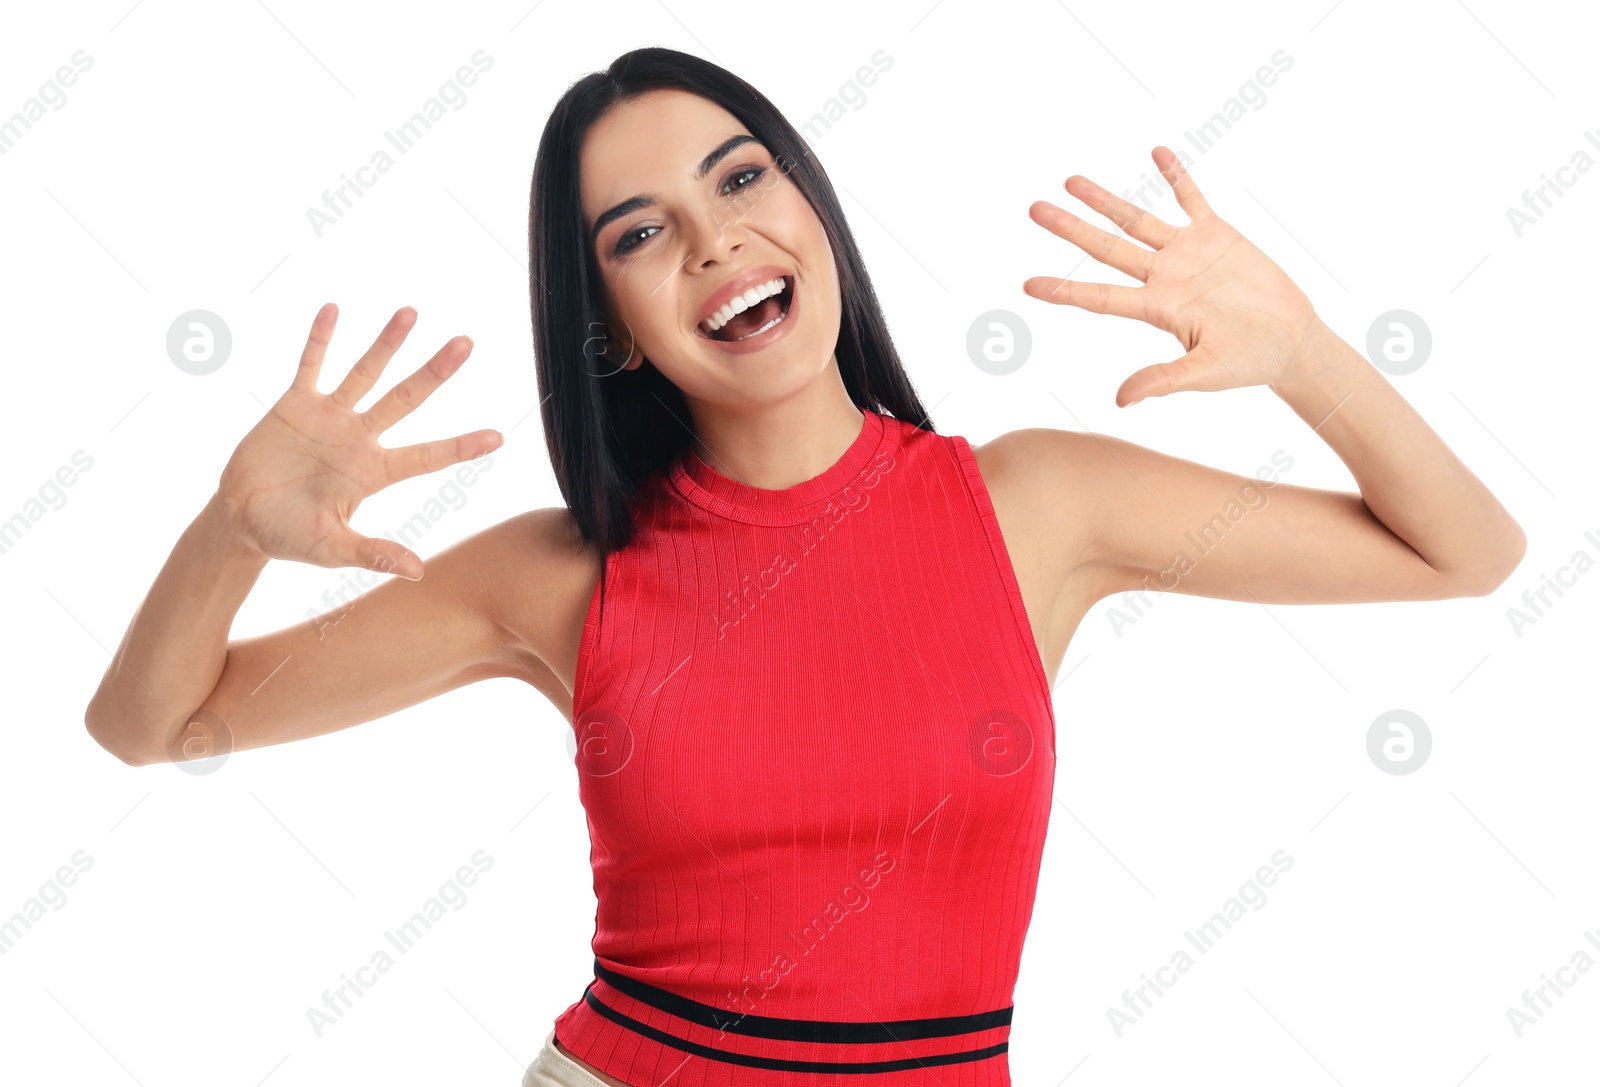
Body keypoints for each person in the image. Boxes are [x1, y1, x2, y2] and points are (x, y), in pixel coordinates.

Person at [84, 47, 1525, 1087]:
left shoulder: (1036, 504)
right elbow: (151, 725)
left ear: (813, 210)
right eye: (642, 234)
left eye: (741, 177)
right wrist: (230, 530)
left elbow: (1465, 554)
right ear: (610, 330)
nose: (716, 240)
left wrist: (1306, 354)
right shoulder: (557, 580)